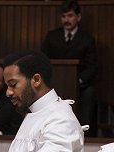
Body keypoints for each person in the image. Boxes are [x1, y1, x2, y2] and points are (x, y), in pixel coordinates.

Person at [41, 0, 98, 136]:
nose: (67, 19)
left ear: (78, 17)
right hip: (54, 83)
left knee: (89, 93)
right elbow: (42, 60)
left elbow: (92, 66)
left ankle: (85, 133)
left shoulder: (87, 39)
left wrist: (78, 81)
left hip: (80, 85)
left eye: (70, 16)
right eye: (64, 16)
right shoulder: (52, 37)